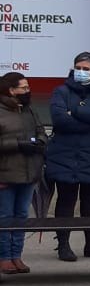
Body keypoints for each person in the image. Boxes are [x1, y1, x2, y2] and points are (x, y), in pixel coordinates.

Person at [46, 52, 90, 262]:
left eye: (86, 69)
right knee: (66, 200)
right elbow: (59, 120)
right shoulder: (61, 91)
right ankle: (63, 245)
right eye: (79, 67)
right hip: (64, 155)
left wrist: (74, 110)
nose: (82, 72)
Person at [0, 73, 45, 274]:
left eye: (28, 87)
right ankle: (4, 257)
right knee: (5, 217)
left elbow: (41, 131)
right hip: (6, 174)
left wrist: (41, 142)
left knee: (22, 216)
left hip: (29, 172)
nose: (28, 91)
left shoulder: (29, 110)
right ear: (11, 90)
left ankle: (17, 255)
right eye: (24, 88)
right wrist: (17, 144)